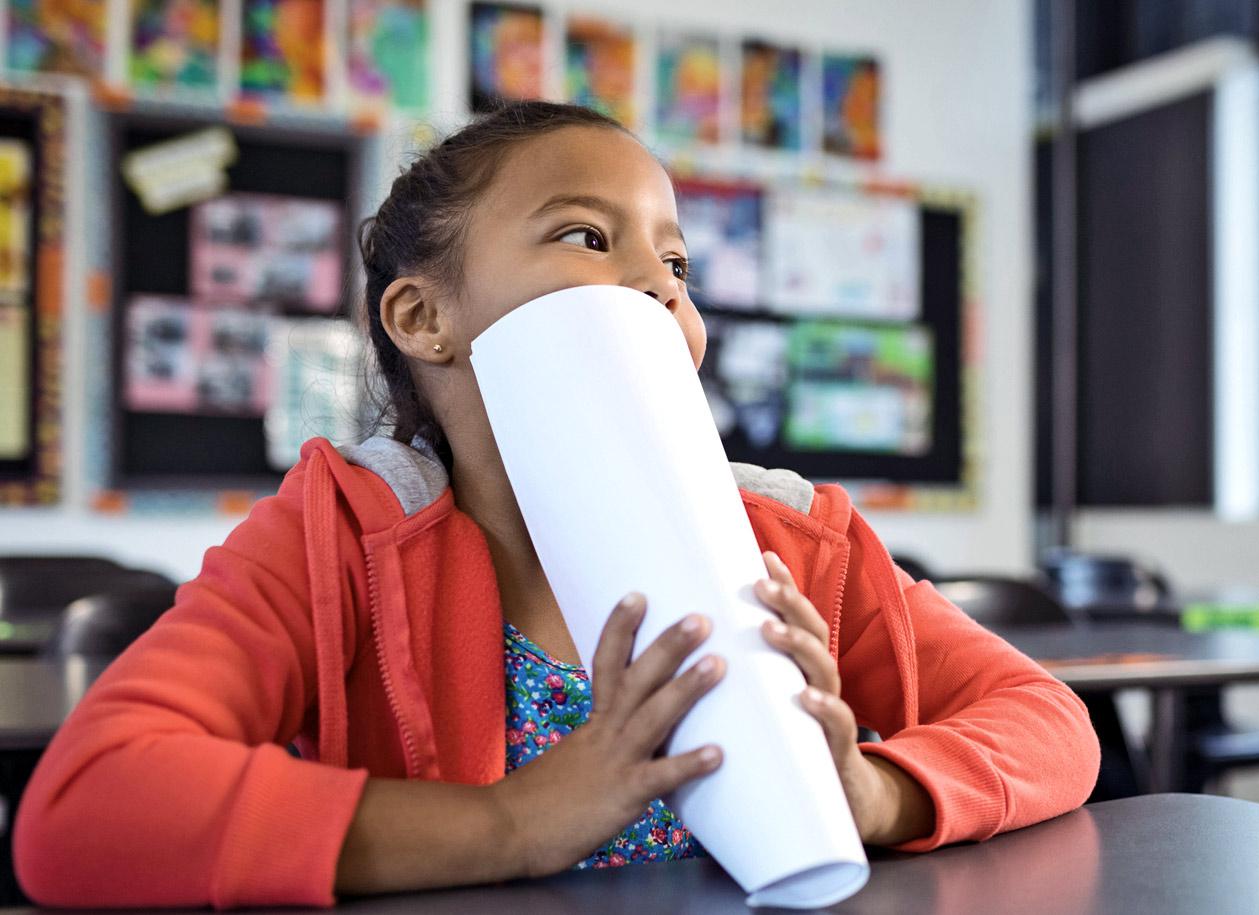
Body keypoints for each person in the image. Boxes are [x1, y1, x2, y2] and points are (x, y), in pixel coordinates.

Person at [13, 101, 1099, 908]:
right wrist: (514, 820)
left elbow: (1048, 724)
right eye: (589, 236)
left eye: (676, 260)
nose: (660, 280)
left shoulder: (790, 539)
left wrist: (876, 797)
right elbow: (86, 815)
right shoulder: (334, 538)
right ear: (423, 316)